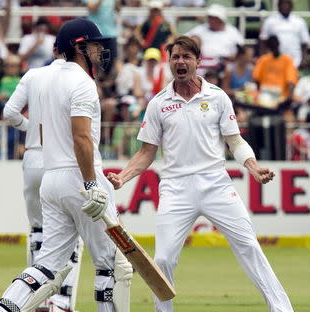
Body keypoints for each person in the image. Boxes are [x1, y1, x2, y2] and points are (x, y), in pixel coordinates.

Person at [107, 35, 294, 312]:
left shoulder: (217, 97)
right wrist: (123, 177)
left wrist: (252, 167)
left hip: (216, 184)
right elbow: (147, 152)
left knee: (249, 247)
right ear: (169, 61)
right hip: (175, 188)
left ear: (197, 60)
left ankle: (282, 309)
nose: (180, 62)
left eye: (186, 57)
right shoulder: (159, 103)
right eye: (175, 57)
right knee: (164, 260)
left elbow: (235, 142)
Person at [0, 18, 132, 312]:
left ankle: (3, 309)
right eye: (93, 45)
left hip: (51, 180)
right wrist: (92, 184)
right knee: (110, 266)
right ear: (79, 46)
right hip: (80, 178)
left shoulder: (42, 77)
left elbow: (17, 114)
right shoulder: (82, 83)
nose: (98, 52)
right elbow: (81, 138)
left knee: (48, 263)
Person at [1, 43, 82, 312]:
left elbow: (9, 113)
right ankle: (61, 301)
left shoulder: (33, 75)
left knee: (38, 232)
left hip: (33, 158)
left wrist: (30, 129)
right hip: (60, 159)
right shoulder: (77, 78)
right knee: (70, 232)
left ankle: (33, 299)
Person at [186, 4, 244, 75]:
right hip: (202, 64)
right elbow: (185, 39)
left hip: (224, 65)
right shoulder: (200, 29)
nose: (211, 19)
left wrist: (231, 58)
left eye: (214, 17)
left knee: (228, 70)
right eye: (210, 17)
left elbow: (242, 51)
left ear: (221, 19)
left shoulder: (233, 32)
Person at [259, 0, 310, 68]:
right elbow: (263, 41)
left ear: (292, 6)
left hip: (295, 61)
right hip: (274, 62)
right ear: (278, 6)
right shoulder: (269, 21)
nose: (285, 6)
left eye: (287, 3)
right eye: (282, 3)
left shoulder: (299, 21)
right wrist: (263, 59)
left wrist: (304, 59)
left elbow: (305, 43)